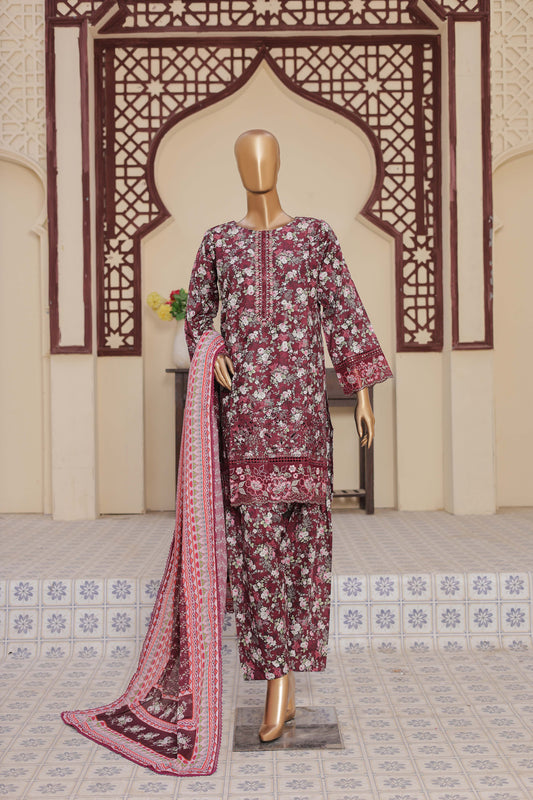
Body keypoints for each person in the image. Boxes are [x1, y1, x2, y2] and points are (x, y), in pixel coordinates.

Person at [185, 129, 392, 742]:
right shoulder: (218, 242)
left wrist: (362, 391)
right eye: (246, 158)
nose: (257, 167)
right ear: (237, 167)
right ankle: (276, 679)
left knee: (304, 550)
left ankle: (288, 680)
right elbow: (197, 317)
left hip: (303, 420)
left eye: (266, 155)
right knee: (257, 551)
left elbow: (344, 312)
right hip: (247, 421)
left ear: (279, 162)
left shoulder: (315, 237)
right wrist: (211, 350)